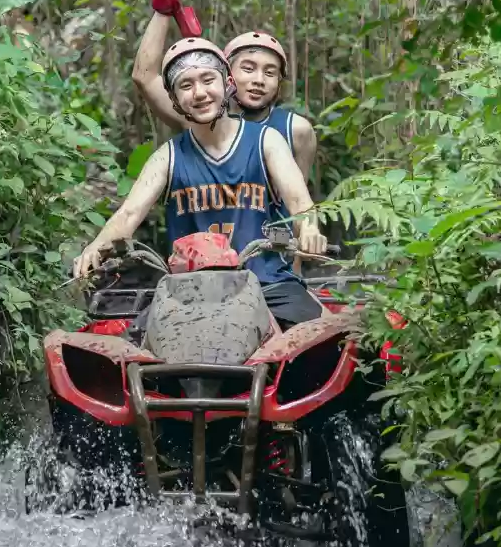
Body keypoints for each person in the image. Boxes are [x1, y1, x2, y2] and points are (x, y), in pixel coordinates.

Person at [76, 37, 326, 329]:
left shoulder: (266, 141)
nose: (200, 93)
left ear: (228, 84)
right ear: (174, 100)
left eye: (208, 80)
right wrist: (96, 246)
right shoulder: (168, 156)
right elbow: (128, 214)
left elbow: (299, 202)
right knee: (135, 341)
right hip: (188, 292)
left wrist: (309, 229)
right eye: (186, 85)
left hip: (269, 285)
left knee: (318, 338)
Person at [131, 0, 318, 179]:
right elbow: (144, 77)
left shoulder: (296, 131)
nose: (259, 80)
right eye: (248, 68)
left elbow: (298, 197)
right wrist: (165, 7)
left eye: (270, 73)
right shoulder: (200, 114)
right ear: (227, 75)